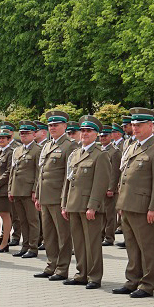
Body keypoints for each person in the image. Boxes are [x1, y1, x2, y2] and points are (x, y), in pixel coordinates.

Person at [113, 108, 154, 298]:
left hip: (144, 206)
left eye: (139, 125)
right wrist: (120, 204)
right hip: (128, 205)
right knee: (131, 245)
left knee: (147, 247)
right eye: (134, 125)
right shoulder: (132, 146)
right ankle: (132, 280)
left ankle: (147, 283)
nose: (135, 129)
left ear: (149, 126)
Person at [60, 115, 113, 289]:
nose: (84, 134)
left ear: (97, 134)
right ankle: (81, 273)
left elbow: (101, 183)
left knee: (92, 242)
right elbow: (68, 180)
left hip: (89, 206)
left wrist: (93, 205)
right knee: (79, 242)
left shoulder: (100, 155)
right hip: (74, 204)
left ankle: (94, 276)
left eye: (89, 131)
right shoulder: (76, 153)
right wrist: (64, 204)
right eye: (82, 130)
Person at [34, 110, 75, 281]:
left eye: (55, 125)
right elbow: (41, 172)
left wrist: (65, 200)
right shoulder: (47, 146)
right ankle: (51, 265)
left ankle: (62, 268)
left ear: (64, 126)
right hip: (45, 198)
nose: (52, 128)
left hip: (58, 198)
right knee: (49, 235)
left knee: (63, 236)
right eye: (50, 125)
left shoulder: (70, 145)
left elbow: (70, 175)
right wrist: (37, 194)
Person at [7, 120, 40, 258]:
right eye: (22, 133)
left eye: (27, 133)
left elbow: (39, 172)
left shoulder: (37, 150)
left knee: (32, 220)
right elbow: (12, 172)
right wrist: (10, 189)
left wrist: (35, 191)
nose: (24, 136)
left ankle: (33, 247)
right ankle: (24, 246)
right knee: (22, 220)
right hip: (17, 190)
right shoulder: (17, 150)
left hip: (28, 191)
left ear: (34, 134)